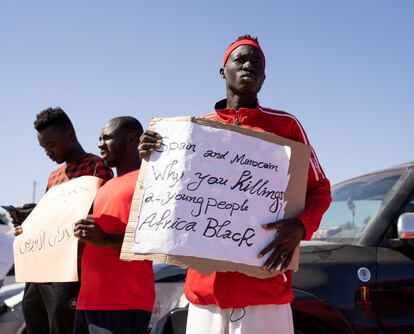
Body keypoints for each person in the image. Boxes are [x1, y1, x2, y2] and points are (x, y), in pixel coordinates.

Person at [139, 35, 331, 333]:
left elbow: (320, 189)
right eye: (240, 59)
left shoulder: (286, 126)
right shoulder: (192, 131)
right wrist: (154, 154)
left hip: (265, 293)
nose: (248, 66)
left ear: (264, 78)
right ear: (222, 70)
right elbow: (169, 196)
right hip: (205, 295)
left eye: (256, 63)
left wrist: (302, 226)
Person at [15, 107, 113, 334]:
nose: (48, 152)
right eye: (43, 148)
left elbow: (99, 215)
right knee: (34, 320)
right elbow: (50, 220)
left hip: (70, 270)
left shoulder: (96, 166)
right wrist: (29, 225)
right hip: (41, 268)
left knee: (62, 326)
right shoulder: (54, 176)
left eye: (51, 145)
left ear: (70, 135)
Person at [73, 116, 155, 334]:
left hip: (123, 301)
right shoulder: (103, 186)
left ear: (131, 140)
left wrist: (106, 239)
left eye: (106, 137)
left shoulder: (151, 180)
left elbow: (154, 238)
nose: (100, 144)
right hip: (88, 301)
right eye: (99, 138)